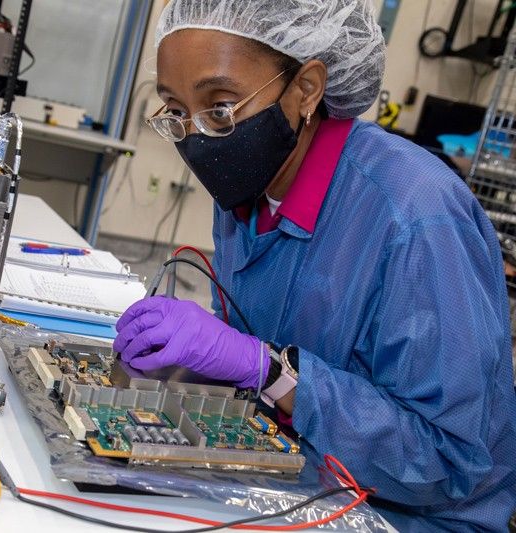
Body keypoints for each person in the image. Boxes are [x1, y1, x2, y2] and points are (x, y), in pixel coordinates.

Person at [113, 1, 516, 530]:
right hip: (290, 474)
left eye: (221, 109)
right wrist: (201, 360)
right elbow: (252, 346)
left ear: (305, 88)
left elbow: (448, 460)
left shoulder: (416, 214)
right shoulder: (248, 187)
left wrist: (271, 372)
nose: (198, 138)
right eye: (176, 110)